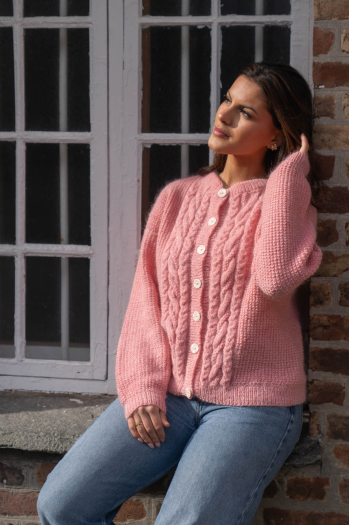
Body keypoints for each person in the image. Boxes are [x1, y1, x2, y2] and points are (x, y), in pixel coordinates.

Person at [37, 62, 323, 525]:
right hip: (169, 395)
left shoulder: (288, 206)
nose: (224, 115)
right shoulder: (177, 198)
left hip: (252, 404)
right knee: (62, 504)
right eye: (228, 99)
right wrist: (141, 386)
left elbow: (274, 279)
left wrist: (289, 175)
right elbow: (146, 300)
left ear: (277, 135)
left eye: (246, 112)